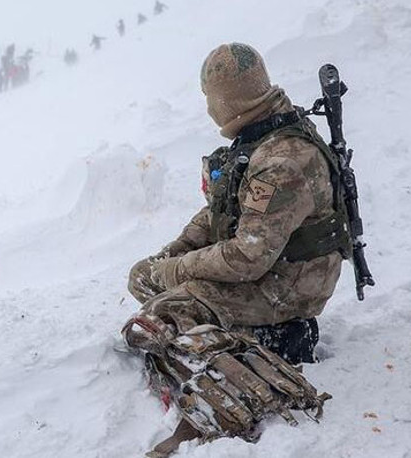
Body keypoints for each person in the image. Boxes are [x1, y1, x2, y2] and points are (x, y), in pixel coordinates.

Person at [123, 43, 345, 455]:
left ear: (226, 100)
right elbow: (220, 211)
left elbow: (248, 255)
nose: (208, 109)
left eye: (210, 99)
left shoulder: (281, 161)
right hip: (268, 266)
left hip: (291, 285)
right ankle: (244, 333)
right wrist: (174, 253)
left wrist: (178, 270)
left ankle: (269, 355)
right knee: (143, 278)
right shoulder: (259, 136)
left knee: (164, 314)